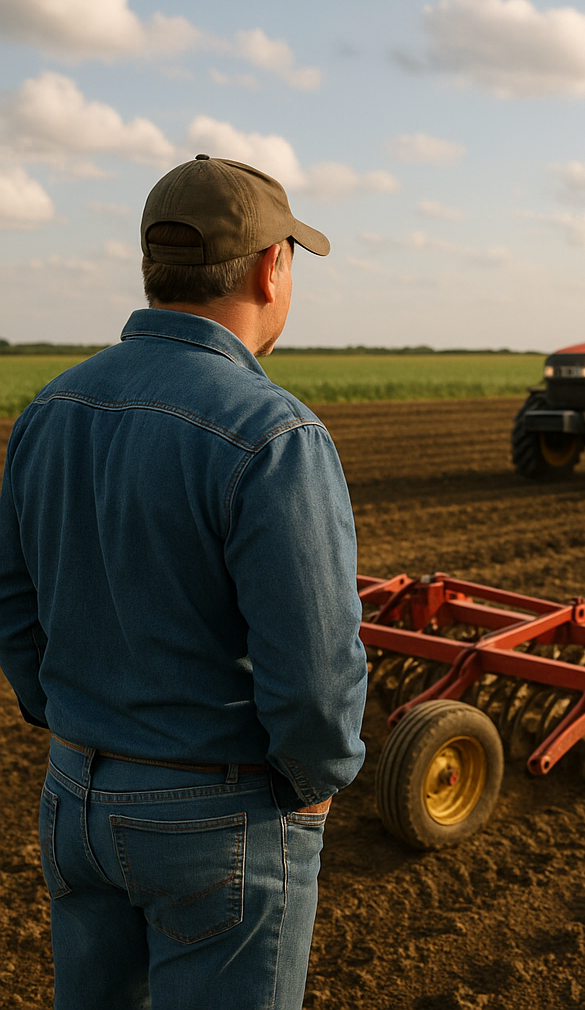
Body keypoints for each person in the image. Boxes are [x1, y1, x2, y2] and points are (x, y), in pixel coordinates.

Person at [0, 155, 368, 1009]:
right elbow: (313, 678)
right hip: (218, 818)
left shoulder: (49, 409)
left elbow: (14, 606)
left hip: (74, 803)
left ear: (153, 267)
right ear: (268, 266)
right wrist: (315, 785)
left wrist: (73, 725)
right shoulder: (274, 435)